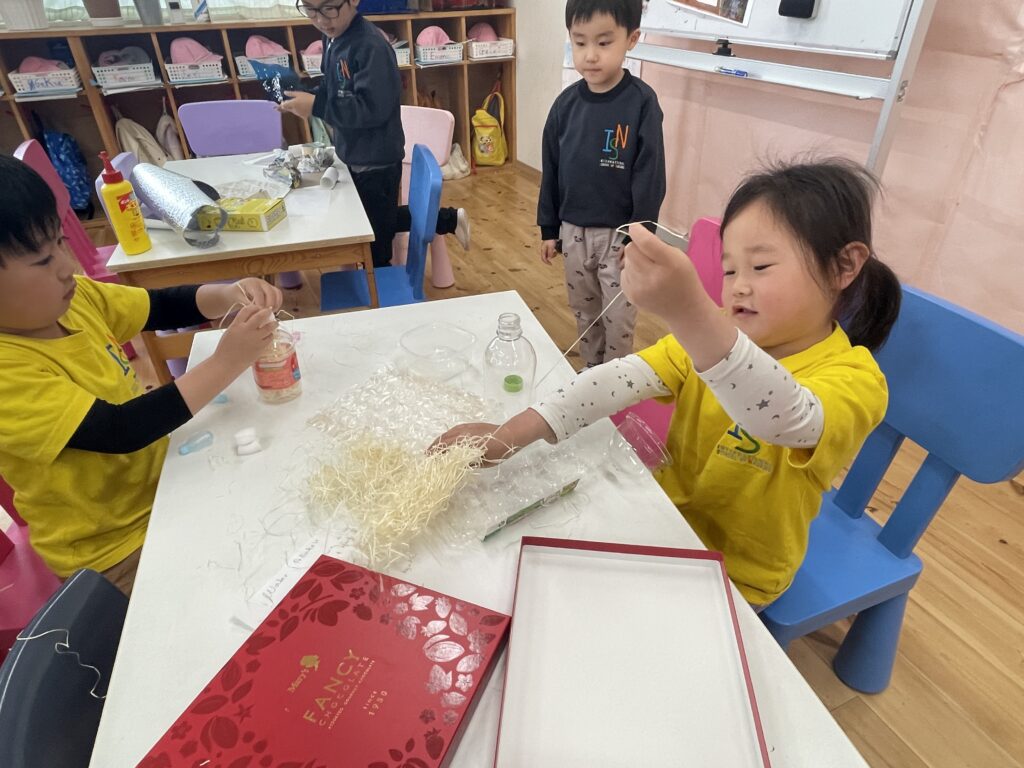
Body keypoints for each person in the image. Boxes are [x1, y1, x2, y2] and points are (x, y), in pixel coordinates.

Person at [434, 159, 902, 608]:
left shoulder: (855, 379)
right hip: (666, 523)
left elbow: (783, 418)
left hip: (740, 575)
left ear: (843, 267)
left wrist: (689, 311)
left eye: (760, 267)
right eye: (730, 270)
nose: (738, 286)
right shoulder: (716, 331)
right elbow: (616, 380)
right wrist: (509, 435)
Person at [0, 155, 285, 596]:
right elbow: (120, 429)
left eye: (60, 241)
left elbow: (159, 306)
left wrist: (228, 294)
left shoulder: (73, 299)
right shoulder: (8, 373)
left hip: (164, 485)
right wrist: (227, 361)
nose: (67, 265)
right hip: (113, 551)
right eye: (41, 260)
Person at [279, 0, 471, 267]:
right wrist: (307, 97)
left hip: (376, 161)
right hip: (353, 154)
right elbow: (334, 88)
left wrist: (317, 106)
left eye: (329, 8)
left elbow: (372, 110)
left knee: (376, 241)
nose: (320, 19)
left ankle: (382, 280)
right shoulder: (333, 38)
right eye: (310, 9)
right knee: (375, 221)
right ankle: (447, 219)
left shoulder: (371, 46)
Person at [538, 0, 666, 366]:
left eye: (604, 42)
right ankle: (592, 373)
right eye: (580, 42)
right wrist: (549, 228)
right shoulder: (564, 106)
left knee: (619, 317)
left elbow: (650, 175)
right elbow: (552, 168)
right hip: (573, 232)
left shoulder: (641, 102)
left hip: (619, 236)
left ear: (631, 39)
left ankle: (616, 378)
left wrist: (640, 236)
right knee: (585, 311)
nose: (590, 55)